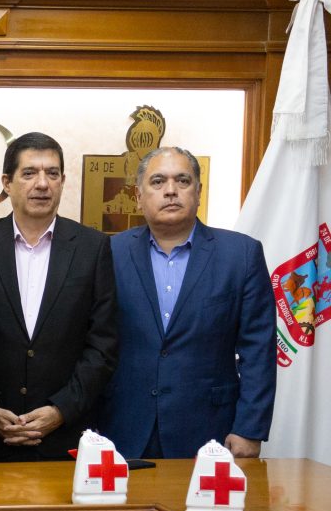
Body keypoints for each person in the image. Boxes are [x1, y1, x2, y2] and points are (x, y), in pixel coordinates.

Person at [0, 132, 118, 462]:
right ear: (7, 182)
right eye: (29, 173)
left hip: (67, 436)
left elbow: (103, 343)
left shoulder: (93, 247)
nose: (42, 184)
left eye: (52, 173)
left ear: (62, 181)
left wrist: (60, 410)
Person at [104, 147, 275, 459]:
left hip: (211, 431)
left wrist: (250, 429)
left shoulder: (241, 255)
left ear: (198, 192)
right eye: (158, 182)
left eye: (182, 181)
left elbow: (258, 350)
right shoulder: (108, 253)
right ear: (139, 197)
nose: (171, 190)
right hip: (122, 428)